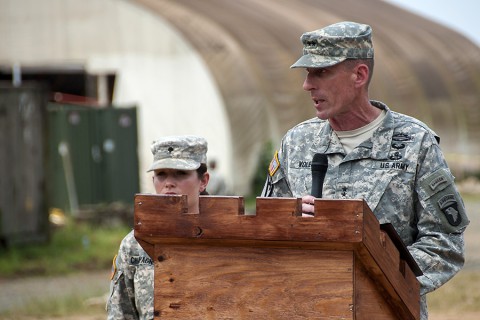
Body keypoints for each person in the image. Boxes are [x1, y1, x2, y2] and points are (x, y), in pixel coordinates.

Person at [261, 21, 469, 319]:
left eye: (320, 72)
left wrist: (376, 277)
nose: (307, 85)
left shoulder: (415, 142)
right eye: (307, 74)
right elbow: (264, 229)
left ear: (359, 75)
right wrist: (291, 221)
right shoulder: (297, 143)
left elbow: (444, 243)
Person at [106, 135, 210, 319]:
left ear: (203, 181)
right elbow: (121, 314)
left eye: (181, 173)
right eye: (161, 174)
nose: (169, 183)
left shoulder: (225, 239)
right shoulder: (135, 244)